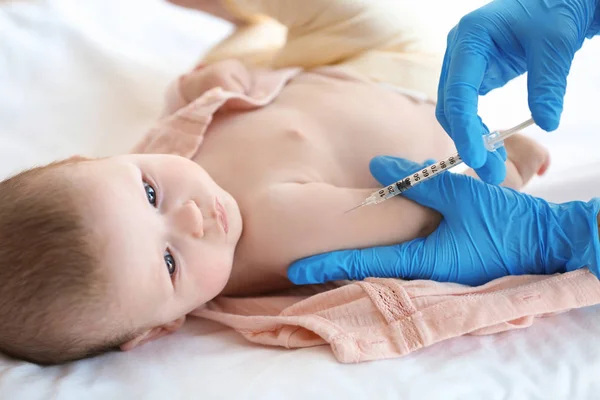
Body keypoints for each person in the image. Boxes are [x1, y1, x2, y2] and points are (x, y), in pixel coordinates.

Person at [0, 0, 549, 365]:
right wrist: (503, 169)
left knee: (227, 59)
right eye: (169, 262)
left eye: (149, 194)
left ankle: (250, 24)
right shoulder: (278, 231)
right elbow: (435, 214)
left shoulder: (153, 162)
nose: (191, 218)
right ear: (158, 328)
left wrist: (204, 90)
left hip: (308, 67)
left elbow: (185, 120)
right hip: (404, 80)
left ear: (88, 160)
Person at [287, 0, 600, 286]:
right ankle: (512, 168)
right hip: (393, 84)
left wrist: (557, 234)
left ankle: (513, 166)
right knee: (439, 213)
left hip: (364, 64)